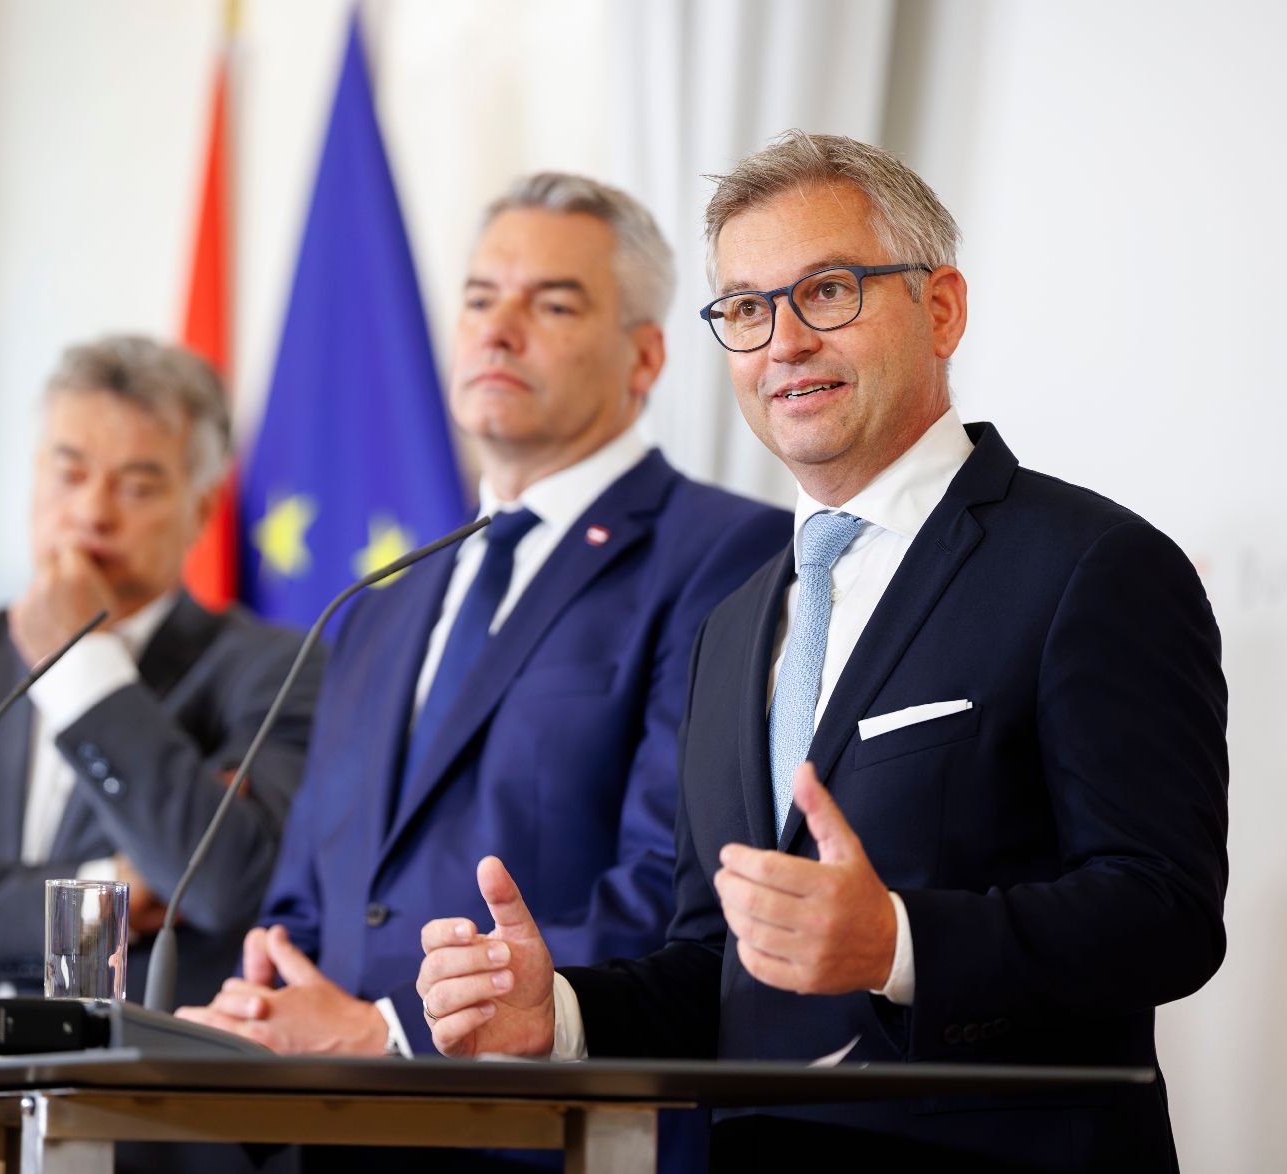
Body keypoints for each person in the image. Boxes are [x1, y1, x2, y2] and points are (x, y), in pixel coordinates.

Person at [416, 132, 1229, 1172]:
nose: (782, 343)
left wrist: (896, 942)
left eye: (828, 291)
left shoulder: (1091, 564)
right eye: (747, 309)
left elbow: (1161, 911)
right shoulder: (734, 620)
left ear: (939, 310)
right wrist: (558, 1012)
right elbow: (716, 960)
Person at [178, 173, 788, 1166]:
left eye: (550, 302)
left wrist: (390, 1029)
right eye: (477, 297)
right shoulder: (377, 604)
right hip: (334, 1138)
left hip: (551, 1134)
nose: (498, 329)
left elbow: (669, 888)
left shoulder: (723, 555)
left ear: (644, 356)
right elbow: (315, 888)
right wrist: (272, 989)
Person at [0, 335, 322, 1065]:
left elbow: (225, 884)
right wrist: (99, 895)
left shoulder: (273, 670)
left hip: (143, 1122)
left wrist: (83, 670)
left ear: (202, 510)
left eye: (136, 487)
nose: (92, 511)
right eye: (68, 472)